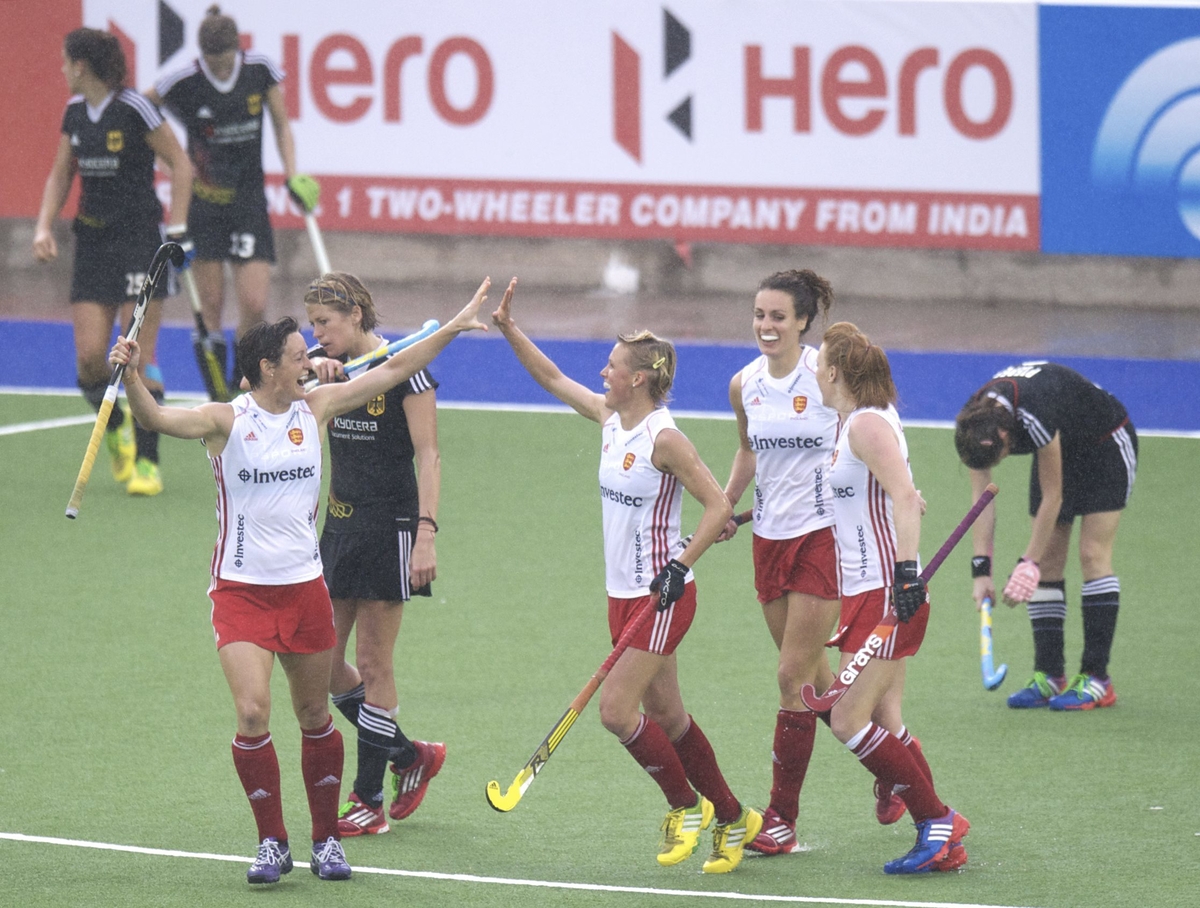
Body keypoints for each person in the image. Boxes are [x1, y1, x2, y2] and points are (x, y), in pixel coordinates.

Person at [107, 278, 490, 884]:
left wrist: (456, 323)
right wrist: (129, 373)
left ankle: (325, 841)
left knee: (316, 715)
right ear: (268, 368)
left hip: (305, 587)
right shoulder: (223, 421)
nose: (310, 359)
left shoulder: (317, 408)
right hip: (239, 591)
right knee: (254, 712)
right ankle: (272, 843)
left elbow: (397, 369)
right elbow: (154, 414)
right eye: (297, 355)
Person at [491, 279, 762, 874]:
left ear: (639, 377)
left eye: (612, 365)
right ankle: (737, 817)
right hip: (621, 597)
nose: (603, 372)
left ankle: (685, 806)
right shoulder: (611, 418)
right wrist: (511, 330)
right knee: (669, 718)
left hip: (661, 597)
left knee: (616, 711)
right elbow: (555, 380)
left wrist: (678, 567)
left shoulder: (664, 439)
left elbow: (718, 506)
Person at [815, 321, 969, 875]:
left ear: (834, 372)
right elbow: (897, 494)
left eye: (819, 359)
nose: (813, 364)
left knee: (846, 719)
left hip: (886, 592)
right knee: (885, 716)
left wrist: (907, 573)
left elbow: (904, 495)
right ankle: (942, 829)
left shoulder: (866, 425)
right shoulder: (852, 423)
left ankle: (936, 820)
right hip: (864, 591)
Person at [302, 273, 445, 836]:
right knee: (323, 665)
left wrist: (427, 533)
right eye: (312, 324)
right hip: (337, 528)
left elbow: (429, 455)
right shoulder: (315, 364)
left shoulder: (407, 368)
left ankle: (368, 801)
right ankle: (410, 756)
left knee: (376, 661)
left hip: (393, 527)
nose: (318, 333)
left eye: (325, 323)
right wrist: (311, 371)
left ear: (356, 316)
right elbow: (254, 385)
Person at [715, 270, 845, 856]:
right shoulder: (743, 384)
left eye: (778, 317)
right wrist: (725, 504)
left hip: (822, 537)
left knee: (791, 678)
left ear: (802, 322)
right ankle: (891, 760)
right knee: (817, 680)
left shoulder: (827, 377)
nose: (766, 326)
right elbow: (748, 449)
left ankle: (781, 820)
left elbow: (868, 438)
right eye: (759, 315)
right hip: (767, 539)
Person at [34, 27, 193, 497]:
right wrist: (44, 226)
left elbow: (180, 165)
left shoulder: (135, 108)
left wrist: (179, 232)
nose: (62, 70)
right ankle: (118, 425)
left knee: (136, 360)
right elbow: (62, 171)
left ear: (81, 65)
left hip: (140, 244)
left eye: (65, 62)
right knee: (89, 362)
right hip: (93, 245)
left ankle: (148, 461)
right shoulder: (74, 113)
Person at [146, 5, 319, 392]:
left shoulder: (259, 70)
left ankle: (241, 379)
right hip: (203, 206)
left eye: (227, 63)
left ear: (238, 51)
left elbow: (280, 123)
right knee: (209, 304)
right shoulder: (184, 80)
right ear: (203, 57)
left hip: (248, 202)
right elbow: (143, 109)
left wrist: (292, 174)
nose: (222, 70)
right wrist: (172, 161)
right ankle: (217, 392)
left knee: (254, 303)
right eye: (215, 64)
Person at [955, 361, 1137, 710]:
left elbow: (1054, 496)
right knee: (1051, 558)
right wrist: (981, 571)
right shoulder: (972, 423)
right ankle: (1050, 675)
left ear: (1006, 437)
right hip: (1058, 447)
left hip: (1105, 445)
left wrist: (1027, 563)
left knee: (1092, 554)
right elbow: (982, 500)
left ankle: (1097, 678)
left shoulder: (1033, 415)